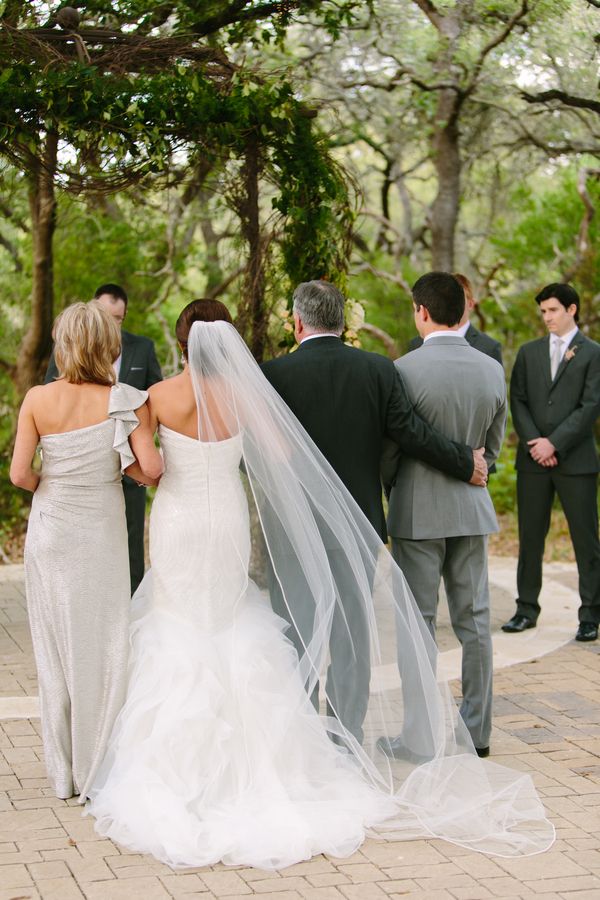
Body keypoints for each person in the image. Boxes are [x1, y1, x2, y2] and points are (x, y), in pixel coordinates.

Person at [86, 299, 553, 868]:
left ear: (180, 341)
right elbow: (282, 453)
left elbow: (152, 471)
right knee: (259, 618)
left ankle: (186, 762)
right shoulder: (252, 392)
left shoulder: (156, 397)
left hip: (181, 521)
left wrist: (135, 461)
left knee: (181, 618)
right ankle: (316, 741)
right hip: (233, 520)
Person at [261, 280, 487, 742]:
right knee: (352, 632)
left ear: (298, 321)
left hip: (293, 525)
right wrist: (465, 462)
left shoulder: (273, 375)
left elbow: (258, 456)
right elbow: (411, 433)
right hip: (358, 523)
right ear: (342, 322)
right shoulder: (377, 370)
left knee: (297, 628)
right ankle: (347, 734)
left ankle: (304, 733)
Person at [10, 302, 163, 802]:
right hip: (100, 529)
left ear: (63, 344)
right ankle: (101, 764)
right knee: (105, 641)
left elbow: (18, 475)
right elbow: (148, 469)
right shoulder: (125, 399)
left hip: (51, 529)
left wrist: (50, 486)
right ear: (107, 345)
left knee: (54, 647)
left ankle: (65, 773)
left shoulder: (36, 398)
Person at [381, 272, 506, 758]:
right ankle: (477, 732)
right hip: (472, 509)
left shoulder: (403, 369)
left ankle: (419, 736)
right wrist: (475, 472)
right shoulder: (492, 368)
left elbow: (391, 449)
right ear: (464, 311)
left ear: (423, 312)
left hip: (417, 510)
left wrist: (395, 485)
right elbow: (489, 452)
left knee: (419, 623)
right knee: (475, 622)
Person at [45, 283, 163, 594]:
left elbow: (155, 401)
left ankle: (133, 601)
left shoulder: (143, 347)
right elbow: (52, 397)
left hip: (132, 472)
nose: (111, 324)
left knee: (132, 541)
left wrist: (141, 446)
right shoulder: (63, 352)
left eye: (119, 318)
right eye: (105, 316)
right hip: (83, 478)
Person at [502, 283, 600, 641]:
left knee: (585, 539)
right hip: (533, 462)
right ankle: (526, 608)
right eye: (543, 311)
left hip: (577, 461)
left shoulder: (593, 353)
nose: (546, 318)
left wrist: (554, 443)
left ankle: (590, 614)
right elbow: (519, 400)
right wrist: (536, 445)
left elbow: (591, 406)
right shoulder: (528, 353)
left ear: (572, 310)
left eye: (553, 310)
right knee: (530, 538)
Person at [408, 272, 503, 364]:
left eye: (459, 298)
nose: (451, 302)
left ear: (470, 304)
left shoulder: (490, 347)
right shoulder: (417, 343)